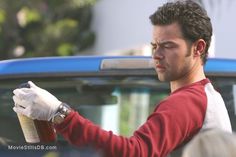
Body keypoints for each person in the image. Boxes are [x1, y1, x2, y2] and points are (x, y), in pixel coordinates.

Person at [12, 1, 232, 157]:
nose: (156, 54)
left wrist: (60, 114)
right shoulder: (207, 96)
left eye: (168, 46)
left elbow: (134, 153)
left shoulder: (187, 102)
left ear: (198, 48)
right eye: (155, 45)